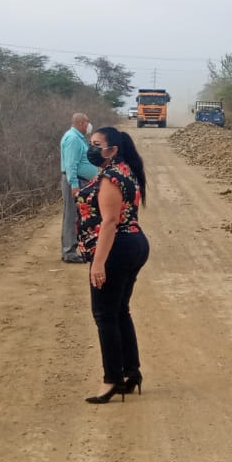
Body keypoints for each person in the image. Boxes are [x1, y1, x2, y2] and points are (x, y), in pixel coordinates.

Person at [76, 125, 151, 403]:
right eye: (91, 143)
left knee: (104, 314)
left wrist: (98, 263)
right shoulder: (125, 170)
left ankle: (112, 380)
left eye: (97, 145)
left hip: (117, 247)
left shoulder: (110, 177)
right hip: (133, 243)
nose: (92, 149)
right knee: (119, 311)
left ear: (113, 150)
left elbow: (109, 221)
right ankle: (131, 372)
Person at [59, 112, 98, 263]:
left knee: (78, 215)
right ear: (81, 123)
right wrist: (74, 185)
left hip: (82, 181)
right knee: (71, 215)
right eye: (87, 122)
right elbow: (71, 165)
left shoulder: (78, 138)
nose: (89, 125)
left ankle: (74, 249)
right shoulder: (73, 139)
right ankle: (69, 252)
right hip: (75, 182)